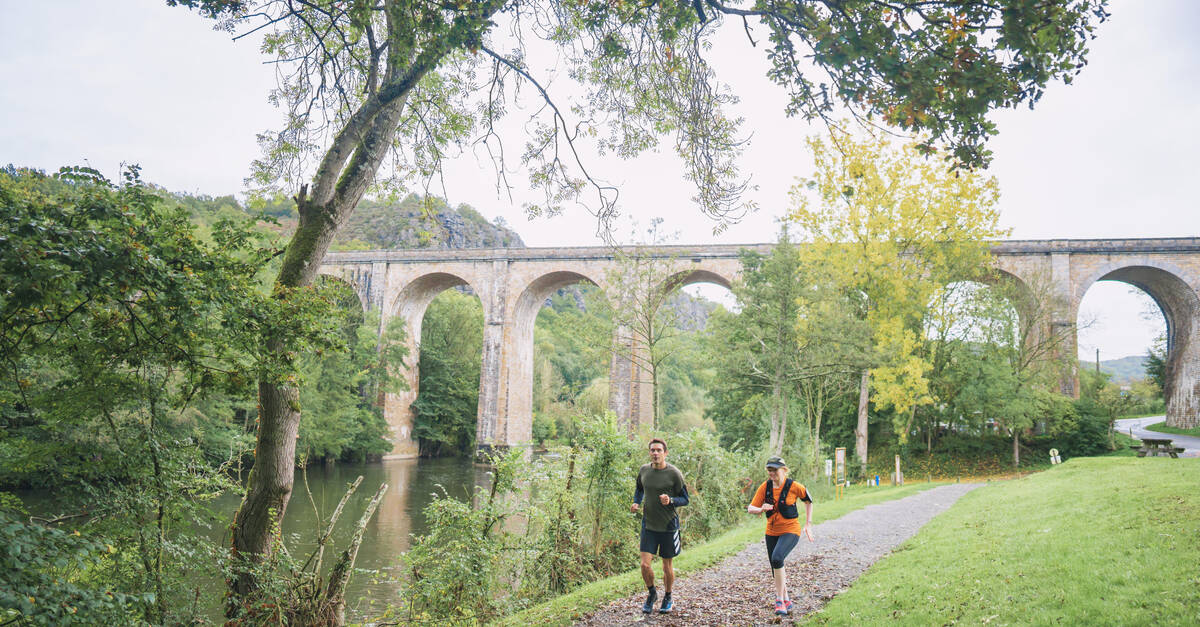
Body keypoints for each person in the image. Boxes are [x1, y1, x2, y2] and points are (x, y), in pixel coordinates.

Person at [746, 455, 813, 616]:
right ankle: (786, 598)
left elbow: (808, 500)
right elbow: (750, 508)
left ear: (784, 470)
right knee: (775, 566)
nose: (772, 473)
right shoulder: (766, 487)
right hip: (771, 532)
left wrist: (808, 524)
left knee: (777, 558)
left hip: (791, 530)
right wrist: (761, 509)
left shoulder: (794, 486)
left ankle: (779, 600)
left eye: (774, 470)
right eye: (769, 470)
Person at [630, 437, 689, 614]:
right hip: (648, 525)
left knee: (666, 566)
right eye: (652, 450)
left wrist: (671, 500)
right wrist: (636, 502)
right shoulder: (644, 470)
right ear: (649, 453)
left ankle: (668, 596)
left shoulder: (674, 474)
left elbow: (685, 499)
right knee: (644, 565)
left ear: (665, 453)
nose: (655, 453)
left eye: (659, 450)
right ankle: (652, 593)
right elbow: (640, 488)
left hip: (668, 526)